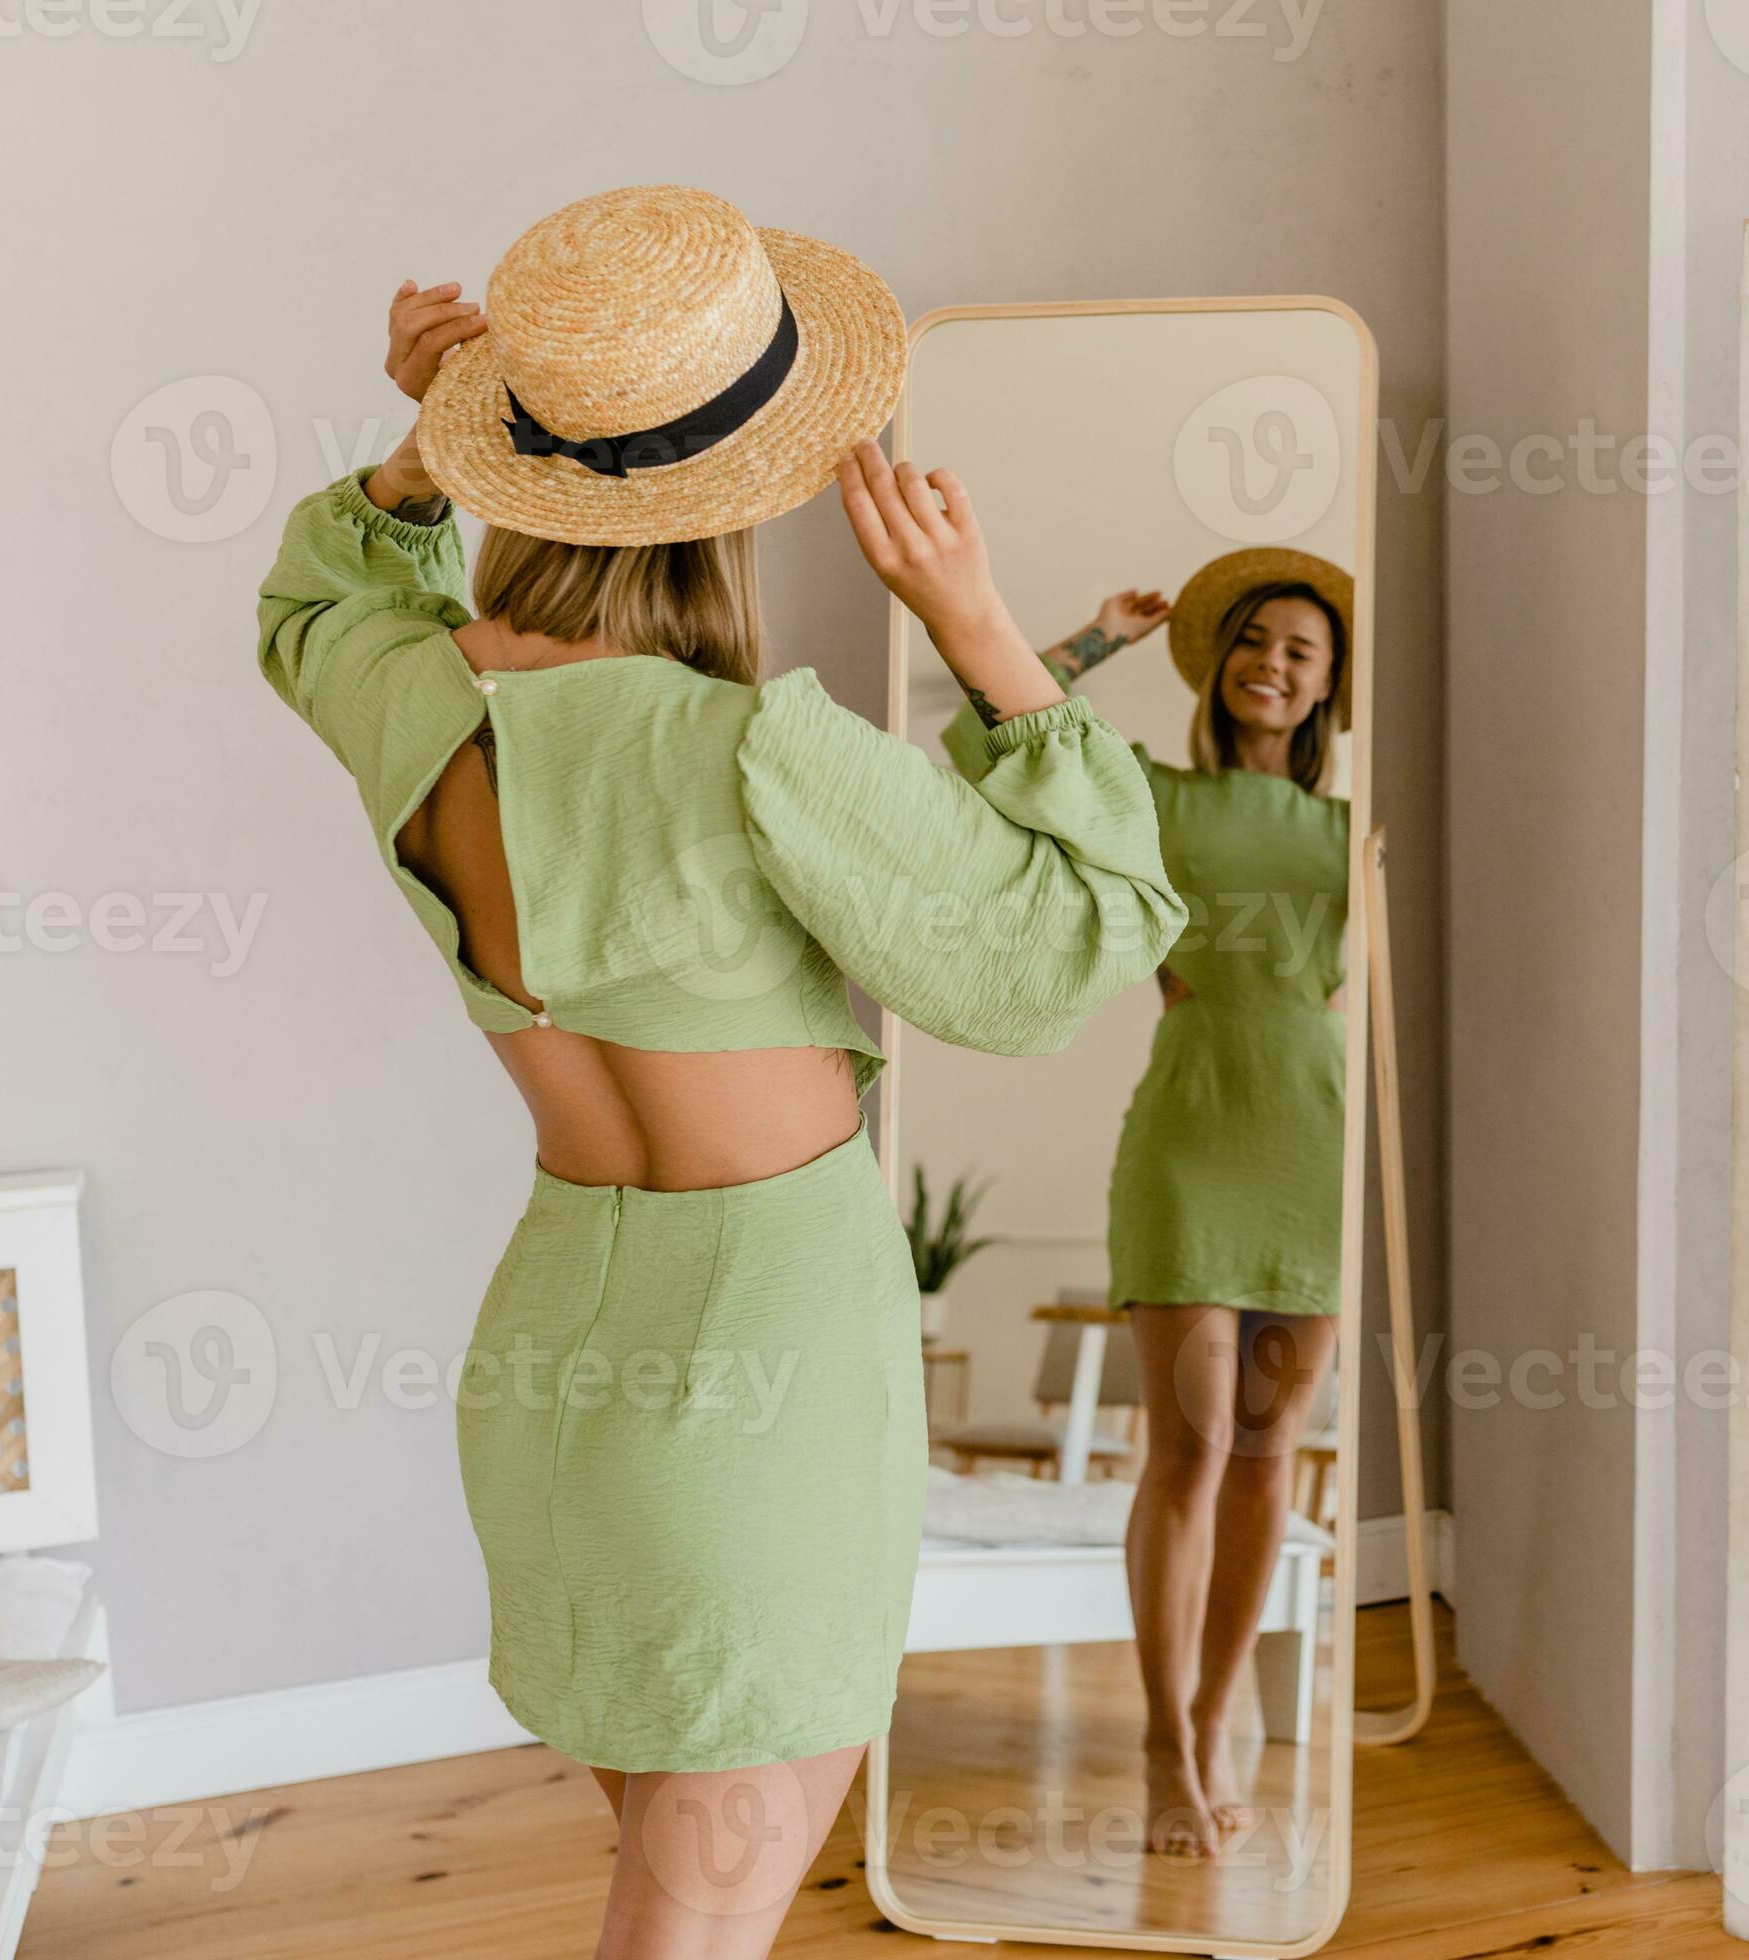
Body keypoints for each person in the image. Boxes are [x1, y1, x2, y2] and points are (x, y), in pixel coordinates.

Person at [254, 186, 1182, 1958]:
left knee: (679, 1900)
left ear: (509, 460)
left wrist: (417, 462)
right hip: (764, 1371)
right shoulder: (759, 746)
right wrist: (983, 627)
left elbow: (313, 601)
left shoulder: (409, 693)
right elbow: (1080, 945)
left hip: (553, 1365)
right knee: (692, 1931)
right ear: (751, 486)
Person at [949, 552, 1352, 1857]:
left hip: (1313, 1146)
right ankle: (1164, 1739)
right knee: (1181, 1453)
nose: (1273, 663)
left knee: (1266, 1456)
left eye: (1303, 649)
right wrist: (1092, 639)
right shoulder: (1156, 797)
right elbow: (975, 744)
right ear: (1218, 660)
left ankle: (1220, 1705)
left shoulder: (1363, 829)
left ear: (1330, 685)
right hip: (1191, 1139)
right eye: (1254, 639)